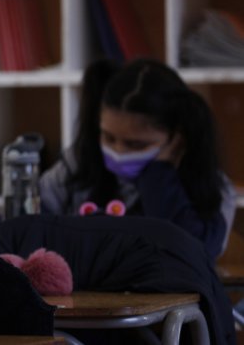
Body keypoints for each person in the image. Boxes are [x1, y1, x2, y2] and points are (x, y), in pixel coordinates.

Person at [39, 58, 236, 260]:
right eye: (108, 137)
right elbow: (31, 225)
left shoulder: (215, 190)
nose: (118, 151)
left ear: (177, 139)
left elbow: (197, 255)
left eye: (136, 145)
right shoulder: (78, 164)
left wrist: (159, 177)